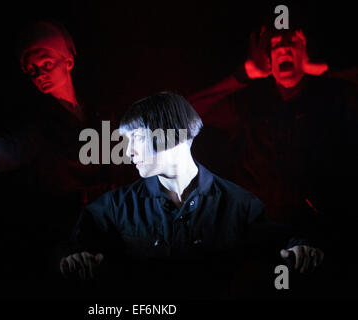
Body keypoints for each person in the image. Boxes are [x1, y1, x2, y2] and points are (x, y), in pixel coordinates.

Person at [60, 92, 324, 299]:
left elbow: (277, 240)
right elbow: (72, 247)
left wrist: (298, 247)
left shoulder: (238, 204)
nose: (128, 152)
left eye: (137, 138)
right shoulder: (115, 205)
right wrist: (74, 258)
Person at [0, 20, 110, 297]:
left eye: (46, 63)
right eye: (32, 70)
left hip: (105, 224)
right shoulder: (40, 124)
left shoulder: (97, 110)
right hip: (64, 230)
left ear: (68, 60)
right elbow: (13, 148)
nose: (40, 74)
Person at [188, 24, 357, 298]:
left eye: (293, 42)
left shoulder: (333, 100)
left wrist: (322, 69)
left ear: (306, 51)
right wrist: (242, 76)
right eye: (276, 44)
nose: (284, 48)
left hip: (323, 243)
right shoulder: (250, 106)